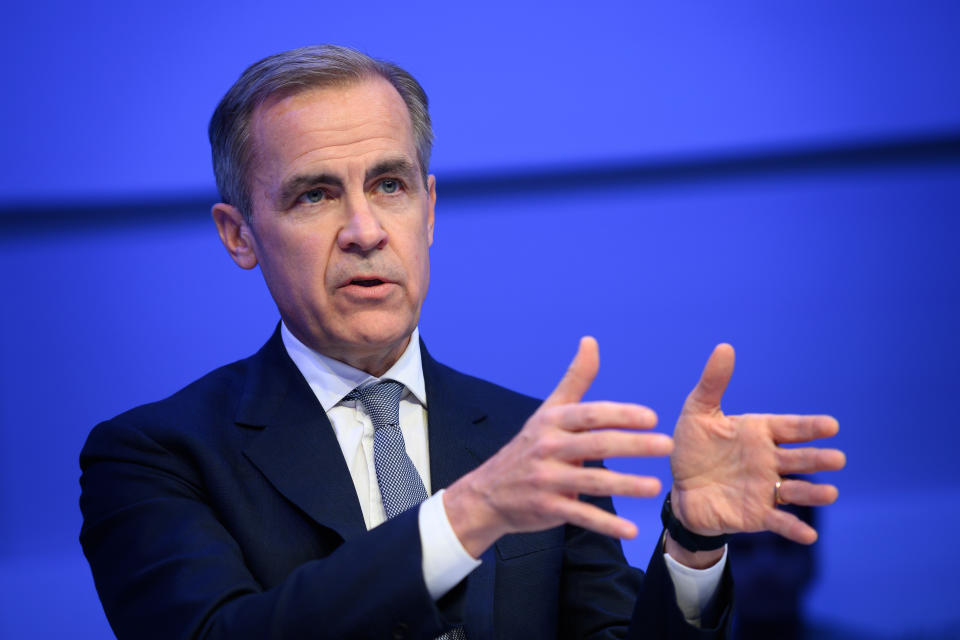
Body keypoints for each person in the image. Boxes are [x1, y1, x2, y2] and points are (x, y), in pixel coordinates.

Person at [79, 44, 846, 639]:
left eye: (390, 185)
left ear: (430, 208)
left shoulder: (537, 443)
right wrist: (468, 513)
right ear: (239, 235)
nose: (364, 231)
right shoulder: (154, 456)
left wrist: (690, 546)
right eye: (315, 195)